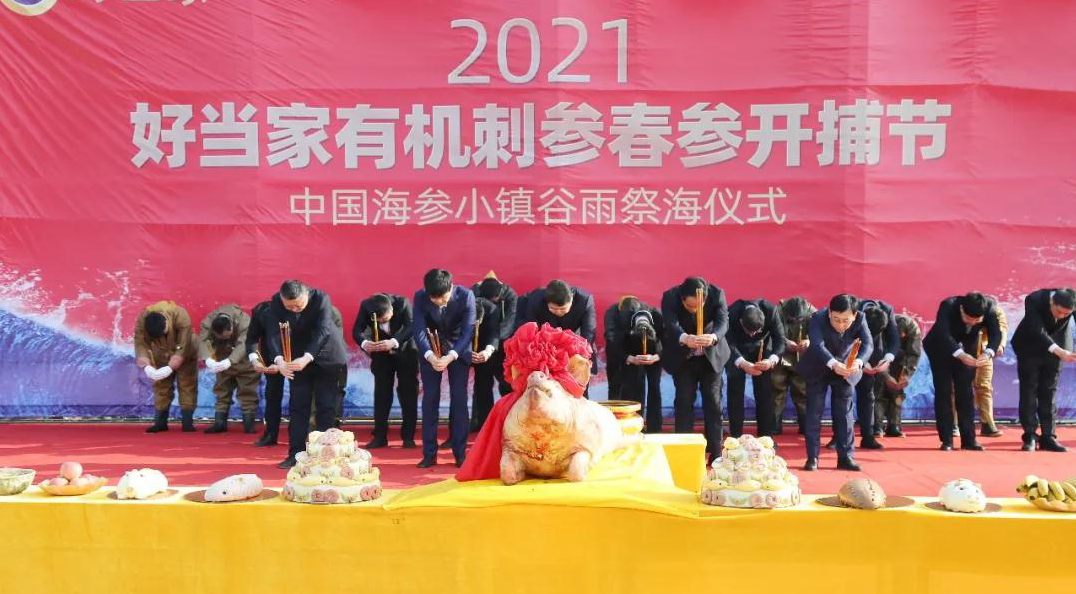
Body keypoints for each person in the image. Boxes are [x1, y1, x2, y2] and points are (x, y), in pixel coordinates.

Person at [265, 280, 349, 469]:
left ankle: (324, 456)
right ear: (282, 299)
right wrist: (279, 360)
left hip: (326, 356)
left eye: (298, 305)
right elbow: (272, 333)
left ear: (306, 295)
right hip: (296, 359)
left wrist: (307, 357)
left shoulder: (321, 298)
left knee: (326, 407)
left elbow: (323, 331)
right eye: (290, 307)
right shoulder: (276, 302)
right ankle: (295, 454)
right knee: (298, 407)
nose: (294, 310)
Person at [797, 294, 873, 472]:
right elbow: (817, 345)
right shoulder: (818, 318)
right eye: (836, 319)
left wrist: (858, 363)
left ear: (854, 315)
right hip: (819, 366)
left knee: (844, 414)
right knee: (814, 412)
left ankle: (846, 457)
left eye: (846, 321)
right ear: (829, 312)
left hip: (846, 368)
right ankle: (812, 458)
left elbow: (868, 345)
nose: (840, 325)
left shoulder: (861, 318)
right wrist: (833, 364)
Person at [660, 277, 730, 462]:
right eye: (690, 307)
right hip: (684, 359)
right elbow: (670, 324)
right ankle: (684, 452)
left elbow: (723, 322)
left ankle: (716, 452)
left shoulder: (717, 294)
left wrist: (713, 337)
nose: (695, 310)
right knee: (683, 402)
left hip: (711, 357)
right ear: (682, 299)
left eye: (699, 306)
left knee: (714, 403)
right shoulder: (670, 297)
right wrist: (685, 338)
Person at [923, 292, 1002, 451]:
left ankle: (969, 440)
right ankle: (947, 440)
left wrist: (988, 353)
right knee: (944, 391)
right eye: (968, 319)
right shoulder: (948, 305)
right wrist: (960, 354)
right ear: (961, 309)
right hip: (940, 348)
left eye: (976, 321)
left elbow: (996, 333)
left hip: (968, 349)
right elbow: (942, 333)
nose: (972, 324)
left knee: (965, 393)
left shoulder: (989, 306)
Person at [414, 269, 476, 468]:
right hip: (431, 351)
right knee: (430, 399)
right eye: (434, 299)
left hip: (458, 350)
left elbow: (467, 332)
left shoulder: (466, 296)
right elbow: (419, 330)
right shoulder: (420, 297)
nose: (439, 302)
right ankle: (429, 454)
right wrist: (430, 356)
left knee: (459, 400)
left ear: (451, 287)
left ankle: (460, 454)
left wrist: (451, 356)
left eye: (443, 298)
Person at [1011, 287, 1076, 452]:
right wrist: (1057, 350)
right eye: (1059, 312)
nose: (1061, 316)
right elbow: (1036, 328)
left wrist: (1062, 350)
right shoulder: (1034, 299)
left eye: (1066, 314)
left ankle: (1049, 436)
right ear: (1052, 302)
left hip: (1058, 346)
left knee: (1049, 391)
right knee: (1029, 390)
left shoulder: (1073, 302)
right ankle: (1030, 435)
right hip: (1030, 347)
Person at [353, 293, 419, 449]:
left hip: (406, 352)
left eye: (386, 318)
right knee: (381, 394)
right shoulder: (366, 306)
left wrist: (394, 342)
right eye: (380, 321)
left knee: (408, 393)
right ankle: (380, 436)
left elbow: (411, 326)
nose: (383, 322)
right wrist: (365, 343)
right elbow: (357, 330)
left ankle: (408, 437)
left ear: (391, 309)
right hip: (381, 354)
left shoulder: (402, 303)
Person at [725, 298, 786, 439]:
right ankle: (736, 436)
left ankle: (765, 437)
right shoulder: (732, 313)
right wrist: (742, 363)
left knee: (764, 393)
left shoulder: (771, 311)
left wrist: (771, 360)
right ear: (741, 322)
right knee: (735, 393)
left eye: (757, 331)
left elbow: (780, 340)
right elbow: (727, 342)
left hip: (762, 351)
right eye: (750, 332)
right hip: (737, 352)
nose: (753, 335)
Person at [135, 301, 198, 433]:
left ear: (167, 322)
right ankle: (160, 423)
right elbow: (140, 343)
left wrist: (171, 366)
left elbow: (183, 345)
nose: (162, 336)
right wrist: (146, 366)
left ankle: (187, 423)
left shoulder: (181, 315)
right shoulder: (142, 321)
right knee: (161, 385)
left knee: (187, 385)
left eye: (164, 333)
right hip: (161, 352)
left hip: (186, 352)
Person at [522, 280, 598, 386]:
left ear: (571, 300)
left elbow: (589, 332)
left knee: (577, 386)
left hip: (575, 343)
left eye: (563, 309)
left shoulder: (584, 300)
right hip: (547, 345)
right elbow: (531, 330)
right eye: (553, 309)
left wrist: (580, 355)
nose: (558, 312)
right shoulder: (536, 300)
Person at [198, 304, 259, 434]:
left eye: (227, 336)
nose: (225, 339)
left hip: (244, 362)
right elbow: (203, 341)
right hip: (222, 361)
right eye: (221, 338)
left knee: (248, 392)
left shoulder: (245, 321)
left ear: (232, 327)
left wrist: (230, 361)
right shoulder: (207, 323)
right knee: (221, 391)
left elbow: (244, 344)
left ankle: (249, 425)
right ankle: (220, 423)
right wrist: (208, 359)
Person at [610, 297, 665, 432]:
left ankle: (654, 430)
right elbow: (614, 343)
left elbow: (668, 341)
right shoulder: (619, 317)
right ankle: (633, 427)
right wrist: (629, 358)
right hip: (631, 351)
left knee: (654, 389)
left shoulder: (657, 315)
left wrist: (657, 356)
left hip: (654, 351)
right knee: (632, 390)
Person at [853, 298, 900, 450]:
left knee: (867, 394)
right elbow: (841, 339)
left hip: (873, 355)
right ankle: (838, 437)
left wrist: (888, 359)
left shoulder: (887, 310)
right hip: (848, 351)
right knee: (842, 394)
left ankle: (868, 437)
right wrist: (859, 361)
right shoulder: (851, 309)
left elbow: (894, 340)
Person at [872, 314, 922, 438]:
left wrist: (905, 375)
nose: (902, 336)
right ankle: (876, 426)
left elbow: (913, 354)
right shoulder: (882, 327)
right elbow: (877, 354)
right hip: (882, 359)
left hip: (901, 360)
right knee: (878, 389)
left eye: (903, 335)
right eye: (898, 335)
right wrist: (886, 376)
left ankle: (894, 425)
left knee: (898, 392)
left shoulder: (913, 328)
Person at [771, 297, 815, 435]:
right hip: (780, 356)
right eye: (792, 319)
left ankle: (805, 425)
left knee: (803, 392)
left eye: (799, 319)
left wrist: (809, 341)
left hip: (803, 357)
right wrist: (784, 342)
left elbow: (820, 333)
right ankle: (775, 425)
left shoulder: (813, 313)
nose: (796, 321)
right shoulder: (777, 311)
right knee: (776, 390)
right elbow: (771, 331)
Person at [470, 272, 517, 397]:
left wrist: (493, 344)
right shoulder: (473, 294)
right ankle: (482, 411)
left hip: (503, 345)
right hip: (481, 344)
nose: (492, 303)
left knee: (507, 382)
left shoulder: (510, 295)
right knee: (482, 385)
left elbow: (509, 323)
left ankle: (507, 408)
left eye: (494, 300)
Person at [246, 300, 285, 447]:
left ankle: (298, 436)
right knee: (272, 396)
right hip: (269, 358)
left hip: (294, 356)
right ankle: (270, 434)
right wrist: (255, 360)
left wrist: (282, 364)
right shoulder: (259, 312)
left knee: (298, 397)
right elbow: (251, 339)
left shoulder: (288, 312)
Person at [469, 297, 504, 432]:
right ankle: (477, 423)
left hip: (487, 350)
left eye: (478, 321)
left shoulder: (492, 309)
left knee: (487, 386)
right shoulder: (460, 307)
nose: (475, 324)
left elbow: (494, 332)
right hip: (464, 347)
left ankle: (489, 425)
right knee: (477, 388)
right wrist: (466, 352)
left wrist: (488, 351)